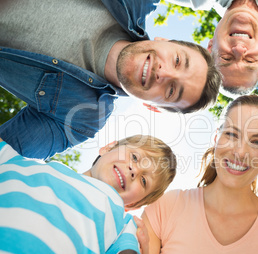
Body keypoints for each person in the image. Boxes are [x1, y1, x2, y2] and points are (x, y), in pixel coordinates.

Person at [0, 0, 221, 159]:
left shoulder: (81, 120)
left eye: (172, 90)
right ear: (165, 40)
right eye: (177, 60)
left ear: (152, 107)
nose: (163, 73)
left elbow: (7, 157)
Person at [141, 95, 258, 254]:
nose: (240, 152)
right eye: (232, 134)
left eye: (257, 142)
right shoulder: (166, 208)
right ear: (216, 139)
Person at [0, 134, 176, 254]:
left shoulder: (123, 222)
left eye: (144, 181)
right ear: (107, 148)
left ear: (132, 205)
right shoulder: (33, 166)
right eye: (135, 157)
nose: (134, 170)